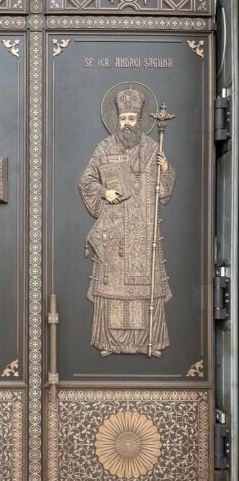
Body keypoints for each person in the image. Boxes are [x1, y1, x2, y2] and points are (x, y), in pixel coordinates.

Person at [79, 88, 175, 357]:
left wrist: (166, 169)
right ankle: (109, 342)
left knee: (145, 288)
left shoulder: (153, 148)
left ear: (140, 119)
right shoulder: (104, 148)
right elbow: (86, 181)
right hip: (113, 232)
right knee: (112, 287)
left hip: (143, 232)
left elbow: (164, 192)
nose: (127, 123)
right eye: (123, 118)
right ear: (117, 119)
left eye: (132, 118)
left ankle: (149, 342)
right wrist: (104, 192)